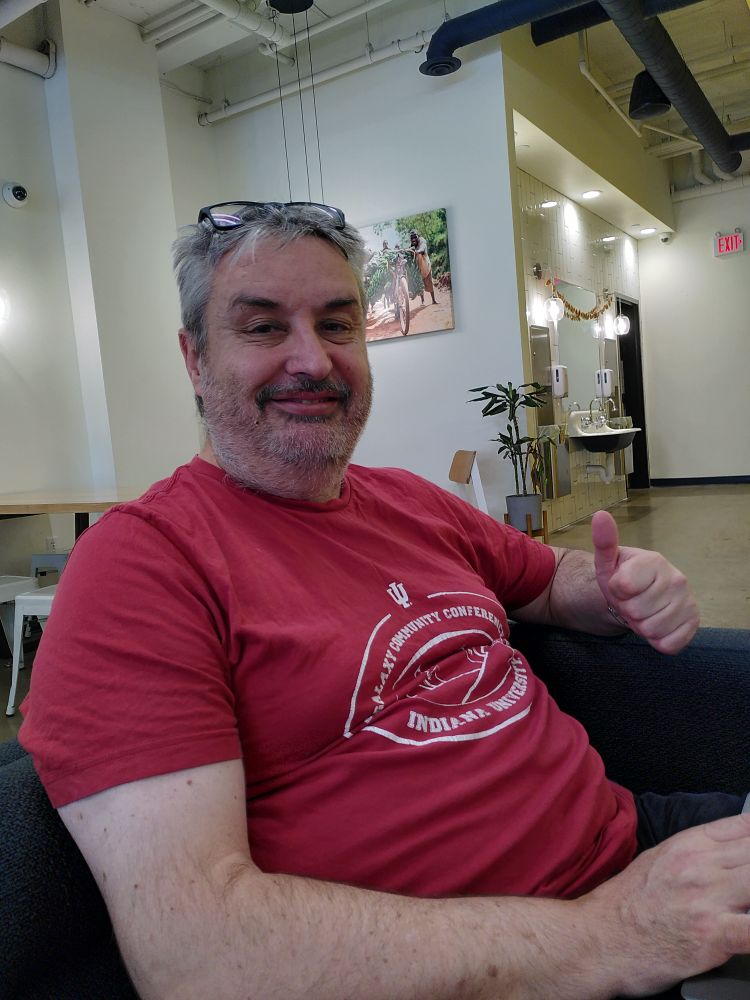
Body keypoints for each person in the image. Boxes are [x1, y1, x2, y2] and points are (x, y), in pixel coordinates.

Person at [19, 201, 750, 1000]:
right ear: (195, 360)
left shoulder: (408, 501)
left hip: (634, 845)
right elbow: (201, 956)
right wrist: (615, 934)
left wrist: (618, 592)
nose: (312, 360)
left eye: (337, 325)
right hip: (506, 962)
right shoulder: (143, 564)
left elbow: (547, 579)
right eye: (264, 328)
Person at [410, 227, 438, 304]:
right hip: (419, 267)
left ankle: (433, 300)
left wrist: (417, 251)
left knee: (429, 282)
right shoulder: (412, 244)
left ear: (418, 236)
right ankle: (423, 301)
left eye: (415, 237)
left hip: (426, 265)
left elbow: (422, 249)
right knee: (420, 284)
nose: (413, 239)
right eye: (412, 238)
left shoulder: (422, 240)